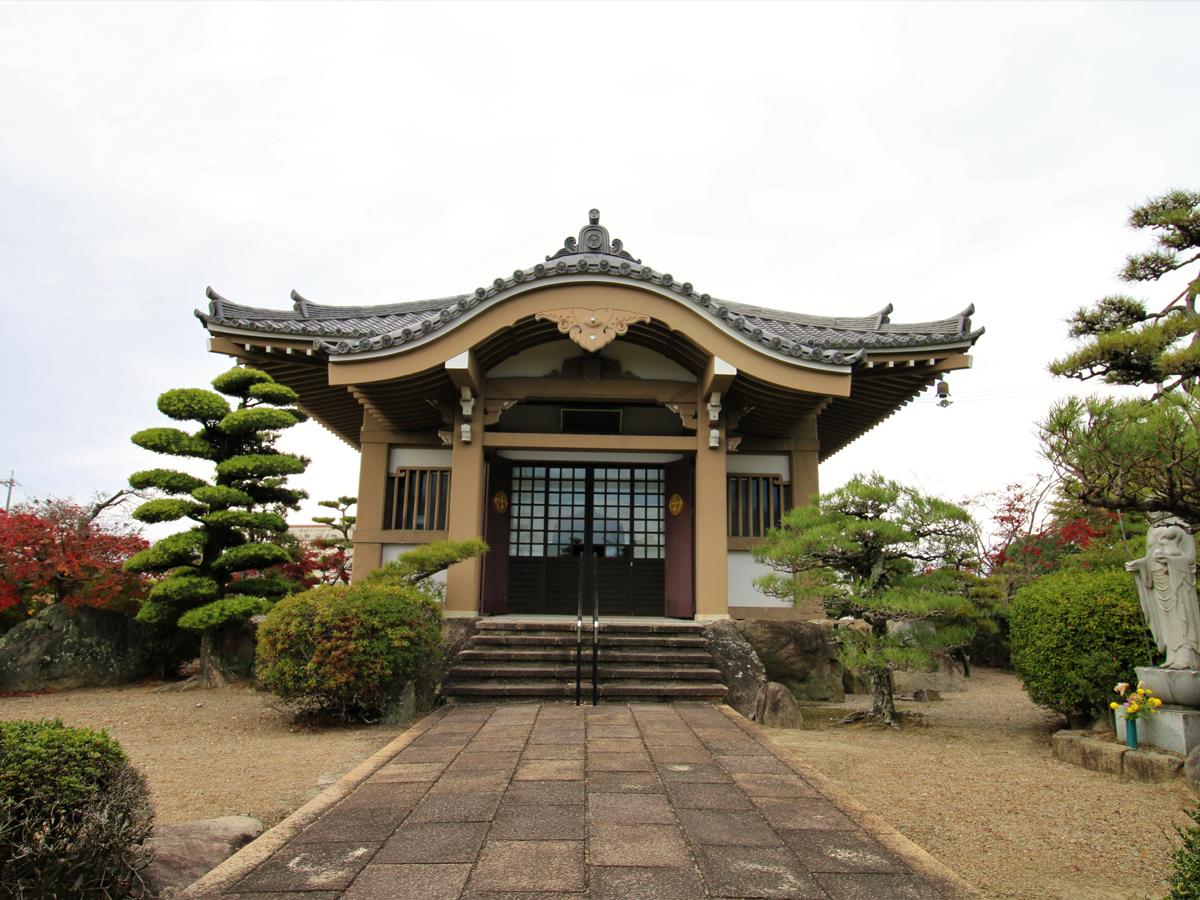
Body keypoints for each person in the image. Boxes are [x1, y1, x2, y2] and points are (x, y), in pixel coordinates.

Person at [1127, 517, 1200, 670]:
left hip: (1178, 580)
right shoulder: (1152, 529)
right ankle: (1172, 655)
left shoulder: (1182, 525)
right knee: (1165, 618)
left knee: (1181, 615)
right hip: (1158, 581)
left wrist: (1170, 560)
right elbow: (1150, 556)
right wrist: (1139, 564)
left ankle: (1186, 655)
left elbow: (1190, 558)